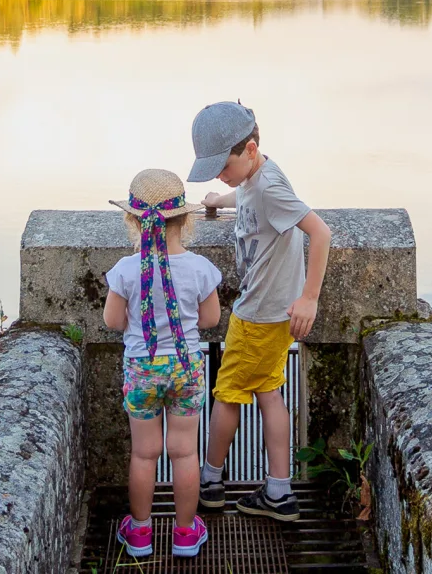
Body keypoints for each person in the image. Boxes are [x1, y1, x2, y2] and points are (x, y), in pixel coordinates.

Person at [187, 101, 332, 523]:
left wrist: (310, 298)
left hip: (257, 316)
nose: (219, 173)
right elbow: (248, 194)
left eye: (223, 166)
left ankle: (210, 482)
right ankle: (279, 491)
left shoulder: (269, 187)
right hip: (271, 313)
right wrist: (221, 198)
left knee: (227, 395)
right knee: (269, 393)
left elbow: (320, 232)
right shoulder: (257, 177)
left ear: (249, 149)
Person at [103, 168, 224, 558]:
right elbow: (210, 320)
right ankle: (185, 533)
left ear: (133, 219)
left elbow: (112, 321)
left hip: (142, 368)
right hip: (185, 368)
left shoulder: (125, 270)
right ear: (184, 220)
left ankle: (140, 533)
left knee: (144, 453)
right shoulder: (200, 268)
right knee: (184, 452)